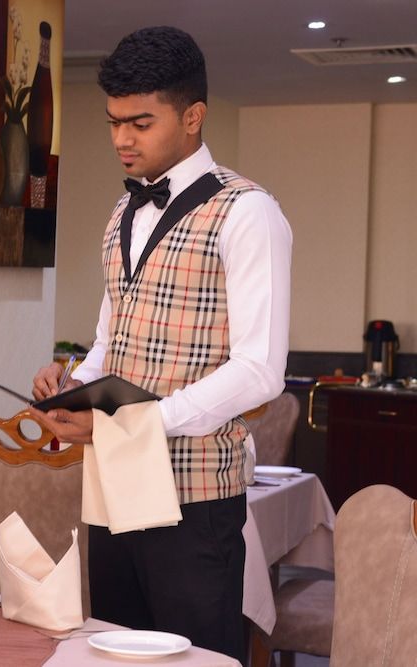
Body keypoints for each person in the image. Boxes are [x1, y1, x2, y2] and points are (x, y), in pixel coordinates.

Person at [31, 26, 291, 661]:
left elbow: (260, 370)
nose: (122, 139)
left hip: (194, 497)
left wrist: (141, 421)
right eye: (114, 122)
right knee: (113, 653)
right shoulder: (121, 215)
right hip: (114, 486)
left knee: (197, 658)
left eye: (141, 123)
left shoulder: (248, 211)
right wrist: (74, 382)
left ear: (193, 116)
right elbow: (110, 339)